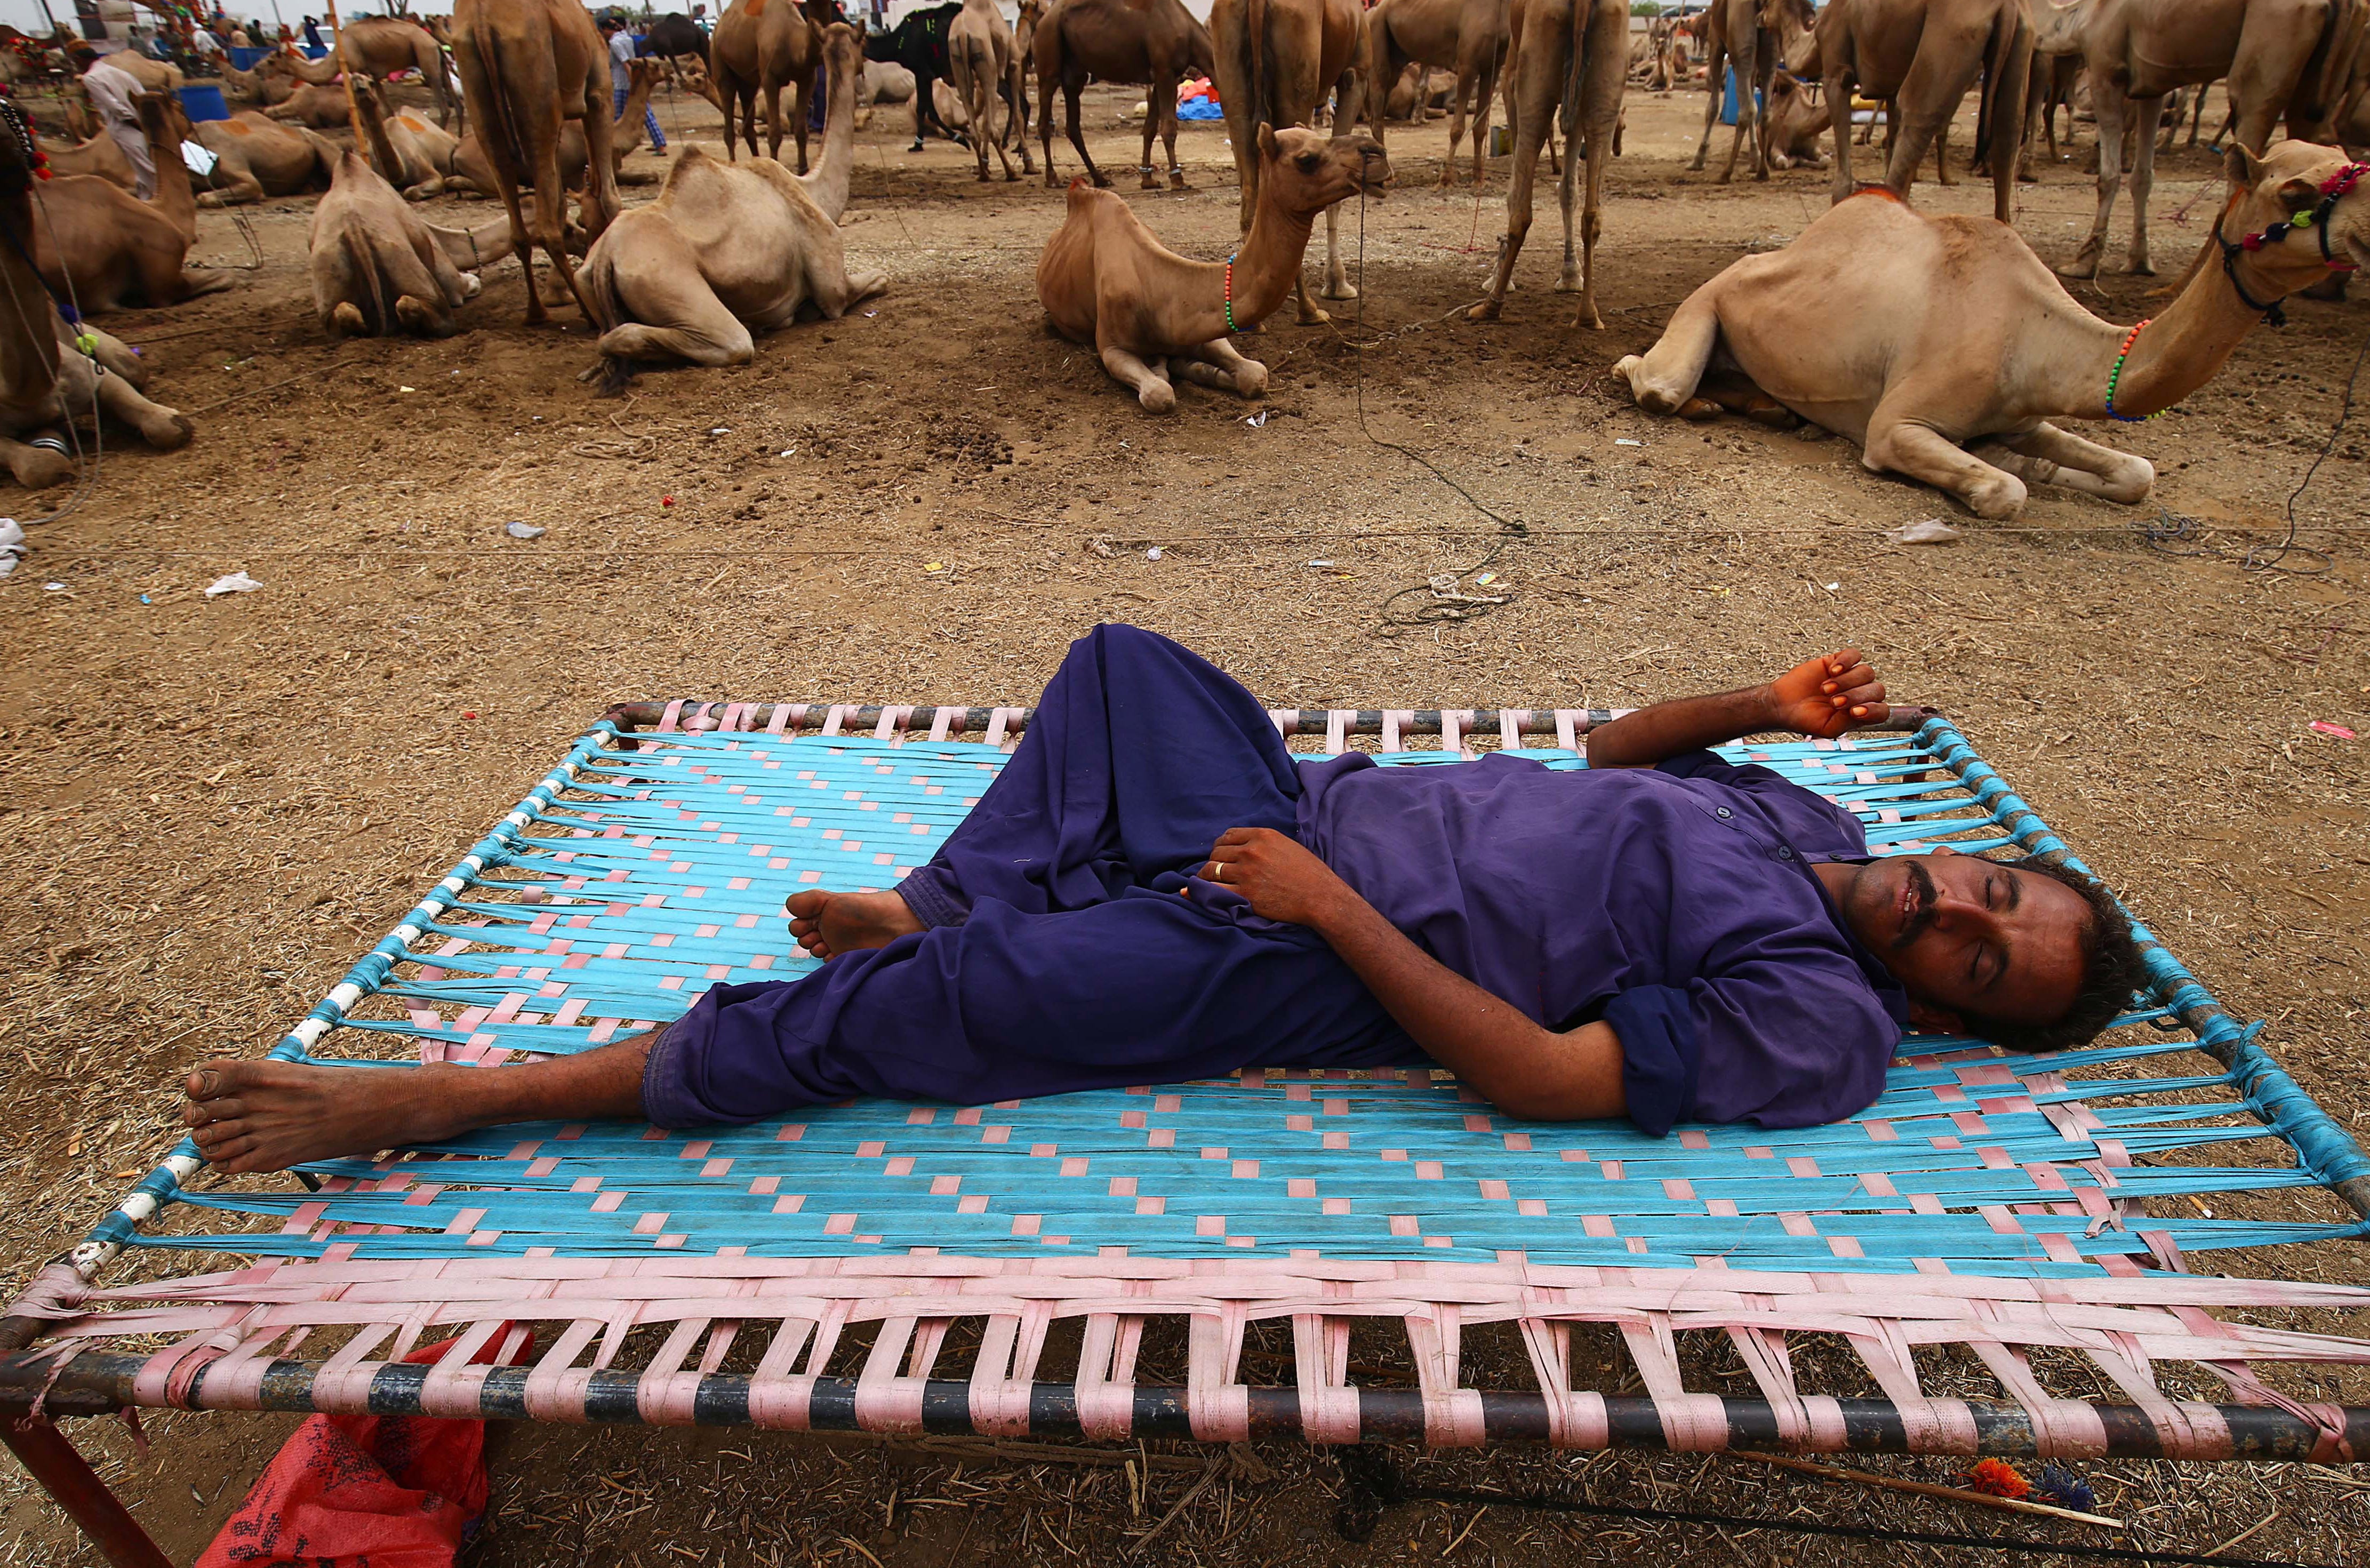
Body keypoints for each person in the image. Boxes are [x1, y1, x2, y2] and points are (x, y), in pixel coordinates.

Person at [178, 626, 2144, 1175]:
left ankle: (449, 1100)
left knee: (897, 1036)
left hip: (1293, 949)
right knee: (1129, 663)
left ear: (1959, 1007)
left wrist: (1328, 915)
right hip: (1298, 806)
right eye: (1991, 894)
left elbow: (1548, 1081)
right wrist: (1758, 700)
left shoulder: (1826, 1021)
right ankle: (957, 899)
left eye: (1984, 964)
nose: (1955, 917)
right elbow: (1613, 765)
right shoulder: (1806, 819)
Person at [73, 47, 154, 197]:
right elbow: (142, 96)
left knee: (145, 166)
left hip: (126, 126)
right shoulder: (122, 74)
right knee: (140, 165)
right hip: (142, 123)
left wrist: (136, 124)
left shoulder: (91, 78)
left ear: (80, 59)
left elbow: (115, 107)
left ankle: (159, 197)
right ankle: (146, 197)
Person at [601, 15, 666, 156]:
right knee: (646, 112)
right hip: (631, 81)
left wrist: (633, 84)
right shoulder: (627, 39)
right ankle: (659, 143)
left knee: (618, 115)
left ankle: (616, 144)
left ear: (607, 30)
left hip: (623, 83)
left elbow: (626, 63)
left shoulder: (616, 43)